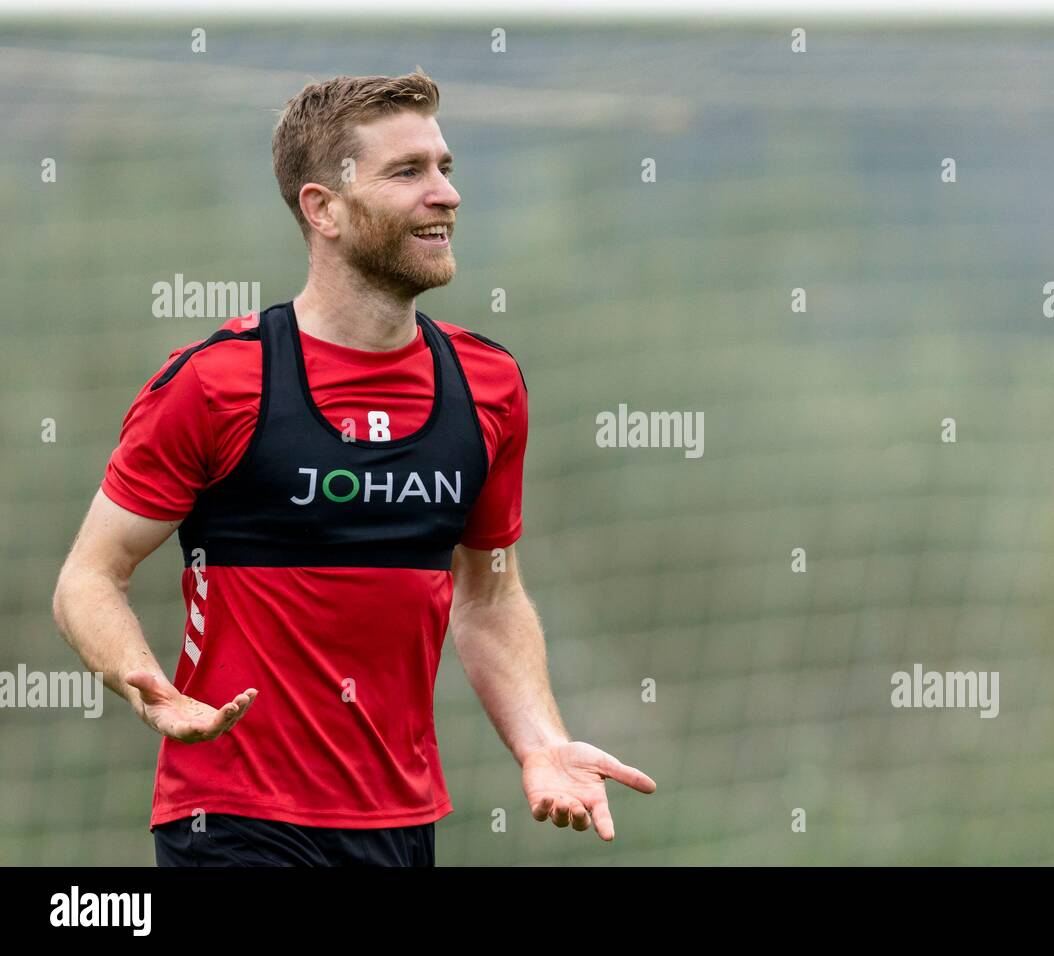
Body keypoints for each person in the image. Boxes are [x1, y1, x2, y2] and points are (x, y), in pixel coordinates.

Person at [51, 69, 655, 866]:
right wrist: (148, 684)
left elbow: (491, 595)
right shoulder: (217, 382)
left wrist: (542, 744)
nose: (445, 194)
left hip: (400, 826)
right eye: (407, 172)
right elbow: (89, 578)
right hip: (234, 820)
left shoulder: (489, 387)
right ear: (323, 208)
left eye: (445, 168)